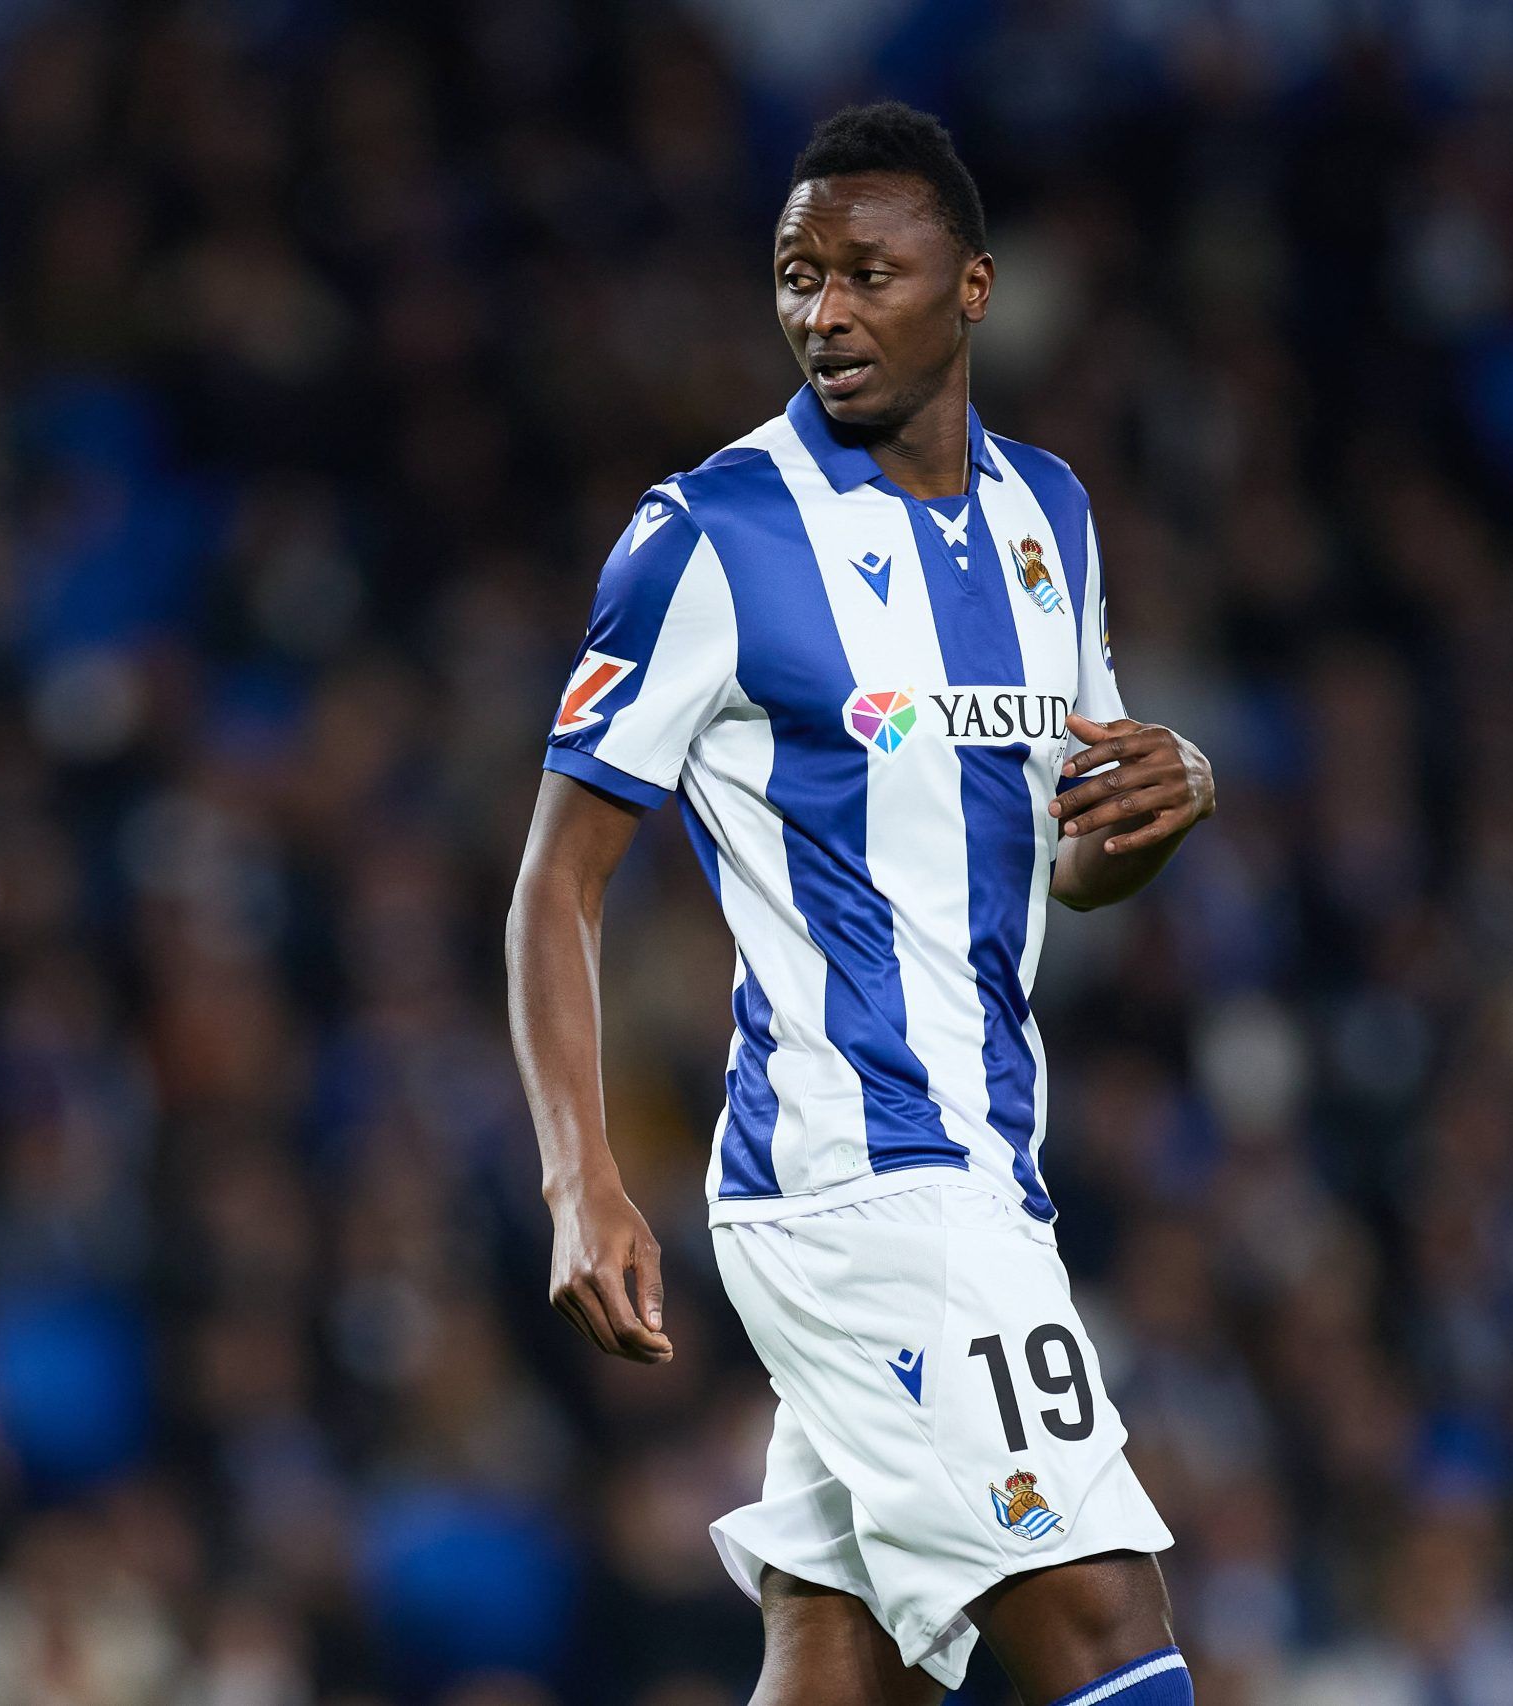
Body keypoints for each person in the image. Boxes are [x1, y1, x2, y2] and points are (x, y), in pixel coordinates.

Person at [506, 102, 1214, 1706]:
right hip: (866, 1184)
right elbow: (558, 879)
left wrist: (1163, 804)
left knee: (840, 1667)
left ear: (971, 287)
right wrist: (580, 1176)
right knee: (1110, 1632)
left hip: (983, 1161)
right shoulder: (709, 537)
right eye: (794, 275)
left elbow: (1075, 862)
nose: (823, 312)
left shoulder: (1052, 521)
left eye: (865, 275)